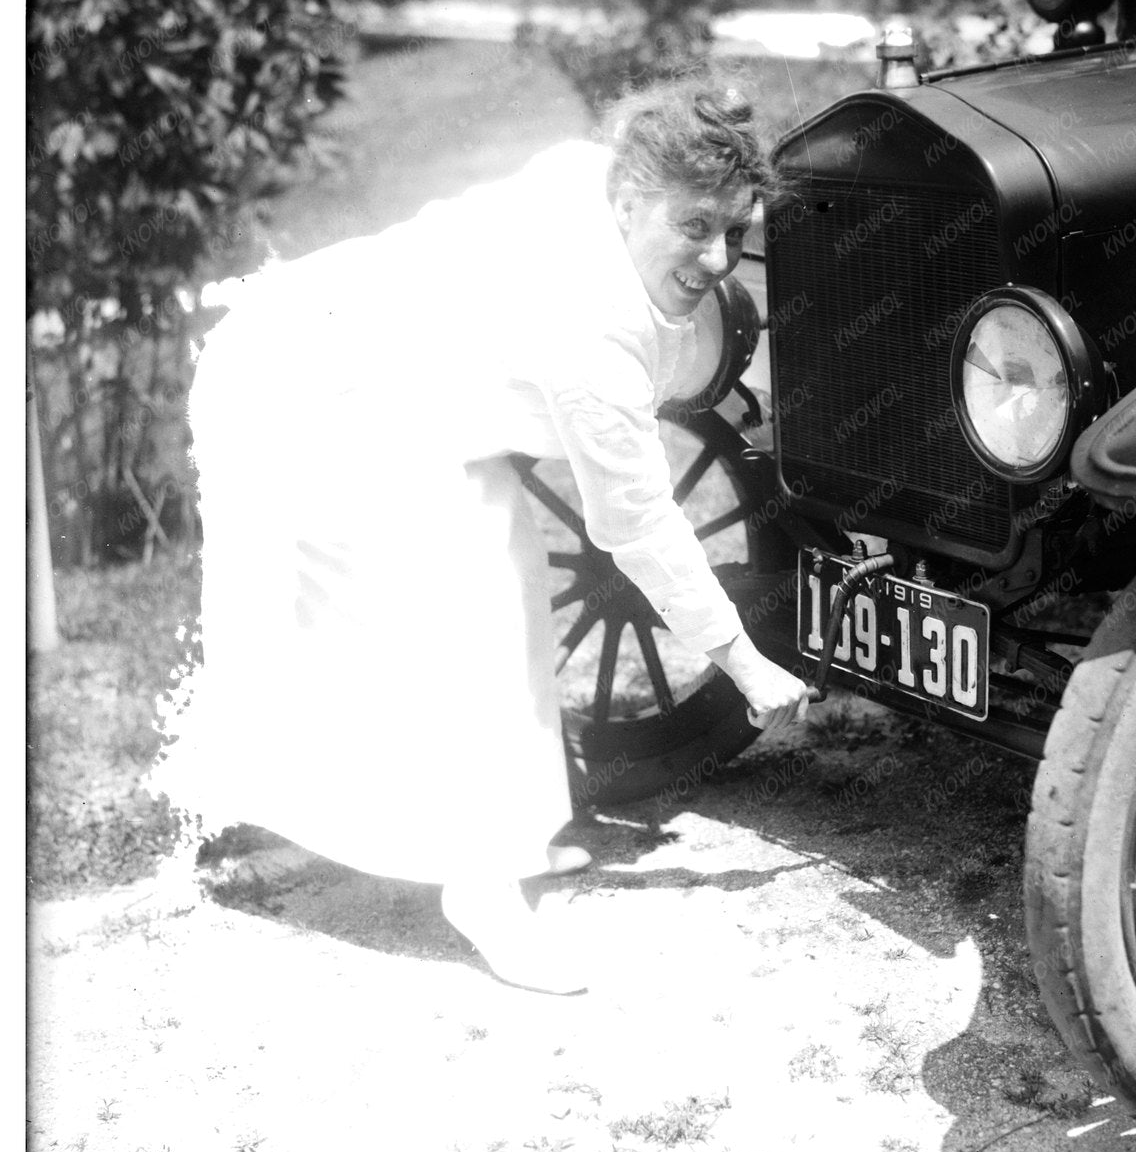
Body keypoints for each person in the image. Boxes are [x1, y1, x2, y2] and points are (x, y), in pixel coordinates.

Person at [172, 83, 810, 993]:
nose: (716, 257)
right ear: (631, 203)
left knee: (511, 589)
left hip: (402, 393)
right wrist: (748, 666)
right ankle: (480, 892)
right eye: (694, 225)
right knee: (457, 618)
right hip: (306, 391)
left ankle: (511, 833)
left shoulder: (600, 173)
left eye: (735, 232)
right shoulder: (593, 330)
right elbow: (638, 524)